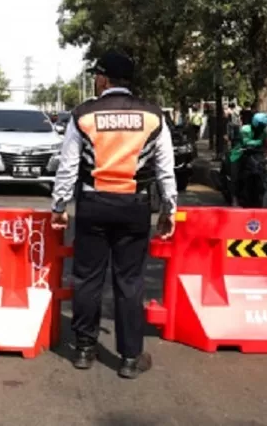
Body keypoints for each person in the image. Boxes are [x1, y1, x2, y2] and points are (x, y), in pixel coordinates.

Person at [50, 50, 177, 380]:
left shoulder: (84, 114)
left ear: (105, 79)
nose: (95, 80)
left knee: (88, 279)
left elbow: (68, 167)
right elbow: (165, 169)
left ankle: (84, 350)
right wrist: (169, 209)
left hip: (93, 204)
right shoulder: (153, 116)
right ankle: (130, 357)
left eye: (97, 75)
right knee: (129, 282)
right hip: (134, 207)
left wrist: (60, 207)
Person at [228, 111, 267, 206]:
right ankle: (234, 198)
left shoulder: (263, 131)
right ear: (256, 123)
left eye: (265, 125)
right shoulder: (245, 129)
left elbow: (264, 143)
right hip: (239, 153)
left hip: (255, 154)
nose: (264, 127)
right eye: (262, 125)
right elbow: (246, 141)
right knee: (236, 175)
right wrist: (259, 142)